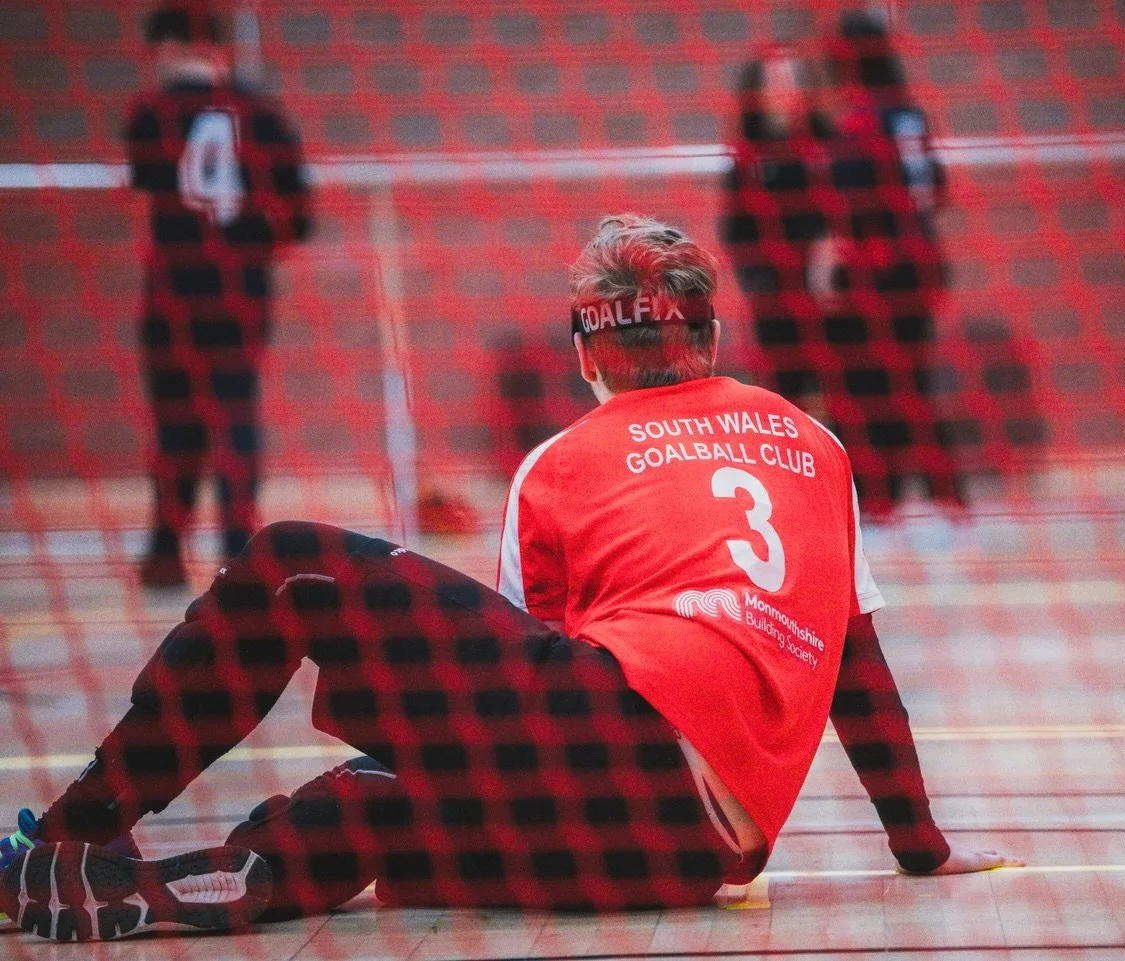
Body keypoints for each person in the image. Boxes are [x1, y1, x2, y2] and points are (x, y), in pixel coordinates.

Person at [0, 216, 1021, 942]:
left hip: (608, 757)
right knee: (378, 799)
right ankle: (174, 888)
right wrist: (922, 846)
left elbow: (511, 692)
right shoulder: (816, 443)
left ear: (588, 348)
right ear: (712, 334)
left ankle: (71, 836)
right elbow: (857, 664)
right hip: (681, 859)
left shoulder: (566, 458)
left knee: (288, 563)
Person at [129, 4, 312, 587]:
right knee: (236, 415)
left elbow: (147, 176)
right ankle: (239, 555)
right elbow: (300, 215)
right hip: (240, 293)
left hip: (173, 292)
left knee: (175, 424)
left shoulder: (153, 112)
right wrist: (252, 239)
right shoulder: (261, 113)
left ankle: (165, 553)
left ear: (176, 43)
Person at [815, 11, 961, 521]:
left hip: (880, 275)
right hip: (922, 269)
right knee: (911, 384)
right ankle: (938, 502)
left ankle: (884, 506)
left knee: (872, 391)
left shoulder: (858, 121)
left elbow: (852, 205)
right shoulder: (909, 115)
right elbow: (936, 189)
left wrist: (839, 264)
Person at [720, 46, 833, 414]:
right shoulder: (748, 157)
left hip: (833, 300)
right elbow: (735, 228)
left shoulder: (828, 146)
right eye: (775, 80)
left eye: (792, 78)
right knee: (785, 400)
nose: (785, 89)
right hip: (776, 305)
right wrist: (759, 282)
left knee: (844, 398)